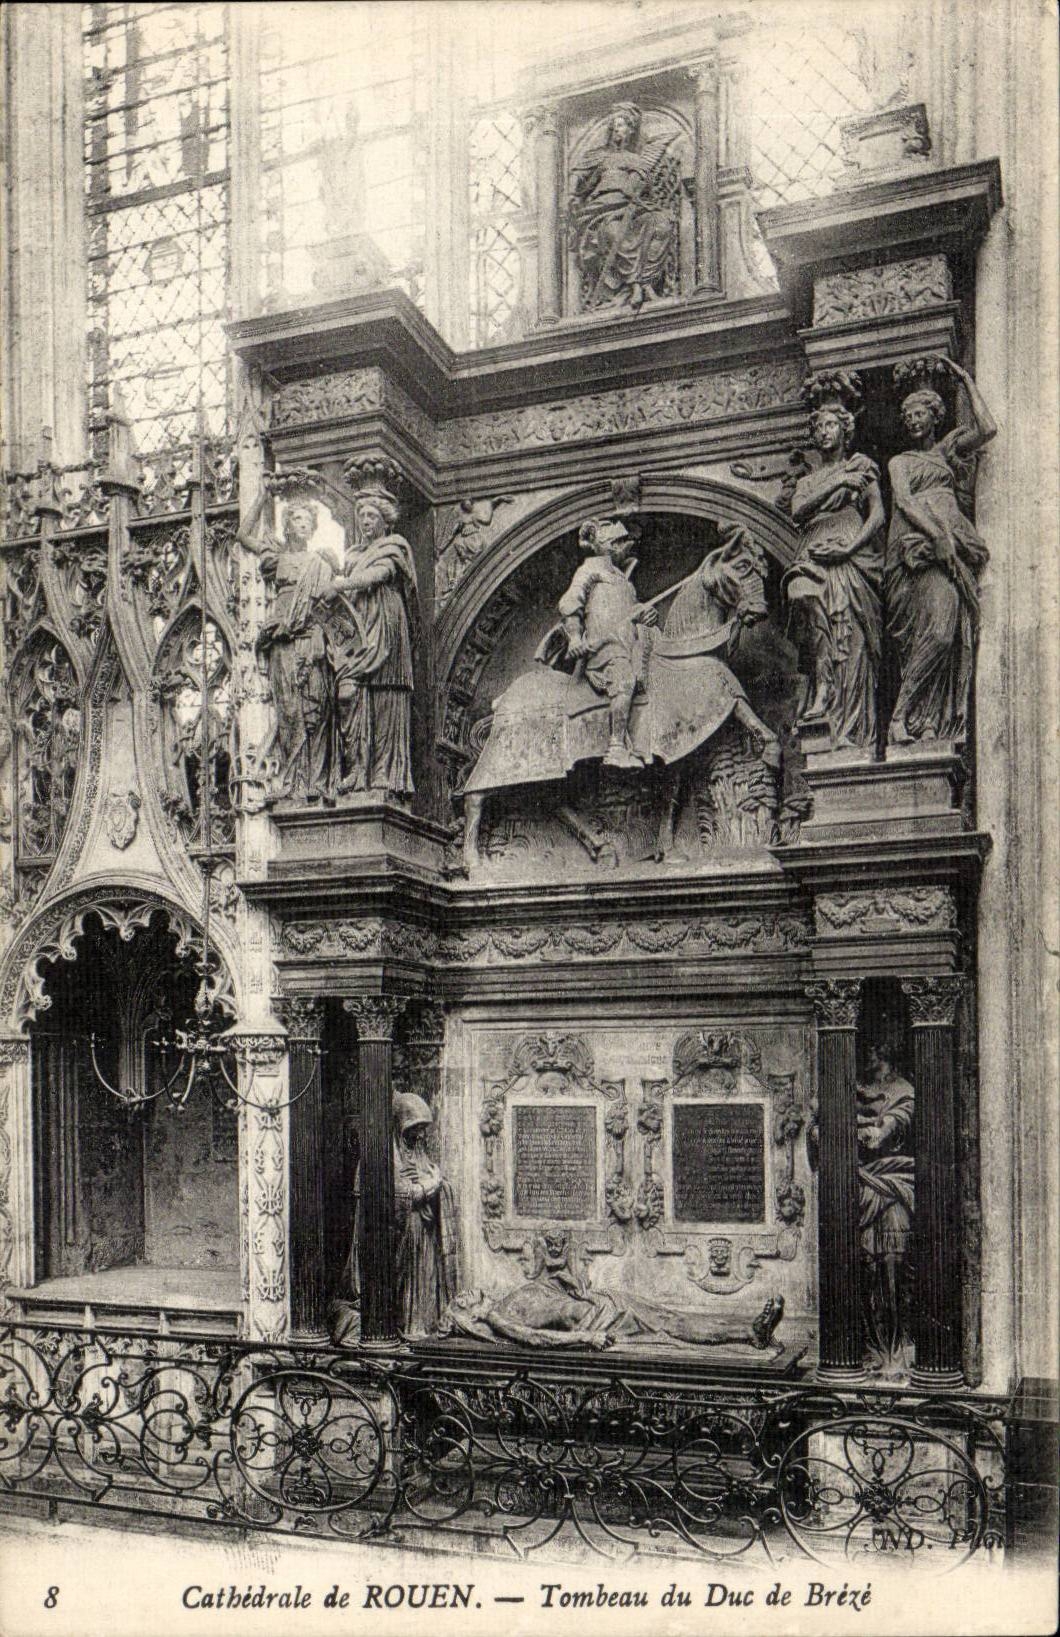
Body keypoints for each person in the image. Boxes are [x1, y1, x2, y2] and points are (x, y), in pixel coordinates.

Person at [886, 358, 996, 745]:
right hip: (916, 549)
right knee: (933, 632)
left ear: (935, 417)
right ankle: (901, 716)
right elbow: (904, 501)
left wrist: (966, 379)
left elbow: (987, 428)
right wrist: (937, 535)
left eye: (921, 413)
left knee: (948, 633)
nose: (914, 420)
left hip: (951, 546)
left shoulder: (947, 452)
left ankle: (927, 719)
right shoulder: (899, 462)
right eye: (908, 415)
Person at [783, 401, 884, 748]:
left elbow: (878, 515)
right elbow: (798, 511)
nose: (823, 432)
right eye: (818, 428)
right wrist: (837, 481)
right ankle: (822, 684)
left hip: (849, 546)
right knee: (802, 593)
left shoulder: (863, 466)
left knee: (850, 632)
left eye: (830, 425)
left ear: (845, 430)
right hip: (813, 545)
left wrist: (850, 548)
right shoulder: (810, 480)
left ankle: (849, 724)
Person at [238, 473, 338, 800]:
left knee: (318, 710)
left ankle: (318, 783)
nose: (304, 525)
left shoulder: (322, 563)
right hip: (282, 644)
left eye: (308, 520)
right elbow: (242, 534)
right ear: (288, 525)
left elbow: (330, 607)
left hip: (312, 640)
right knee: (291, 713)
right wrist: (263, 496)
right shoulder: (277, 559)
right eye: (297, 519)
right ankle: (294, 784)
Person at [327, 485, 417, 797]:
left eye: (372, 515)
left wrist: (341, 584)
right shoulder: (351, 555)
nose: (365, 520)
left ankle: (385, 774)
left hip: (385, 621)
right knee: (349, 694)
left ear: (385, 520)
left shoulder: (394, 547)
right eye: (362, 515)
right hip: (357, 626)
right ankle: (356, 771)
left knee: (386, 697)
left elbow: (379, 575)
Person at [548, 517, 657, 768]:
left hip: (630, 646)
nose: (625, 547)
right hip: (605, 650)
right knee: (624, 679)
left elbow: (629, 611)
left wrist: (646, 614)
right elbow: (570, 603)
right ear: (609, 546)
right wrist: (575, 637)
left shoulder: (622, 578)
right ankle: (616, 747)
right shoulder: (590, 570)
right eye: (619, 543)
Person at [568, 101, 679, 312]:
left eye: (623, 126)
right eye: (615, 126)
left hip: (631, 207)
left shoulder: (638, 160)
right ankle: (635, 286)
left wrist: (636, 183)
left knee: (662, 224)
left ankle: (645, 282)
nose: (618, 130)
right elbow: (579, 174)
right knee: (612, 231)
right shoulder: (601, 156)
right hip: (602, 209)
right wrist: (572, 194)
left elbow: (641, 185)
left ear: (631, 130)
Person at [857, 1043, 915, 1370]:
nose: (867, 1056)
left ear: (884, 1052)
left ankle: (900, 1347)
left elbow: (889, 1127)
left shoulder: (902, 1090)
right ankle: (873, 1347)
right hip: (863, 1186)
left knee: (894, 1262)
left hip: (896, 1183)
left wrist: (873, 1129)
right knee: (866, 1267)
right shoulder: (853, 1088)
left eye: (872, 1049)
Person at [392, 1092, 457, 1337]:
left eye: (422, 1129)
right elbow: (405, 1195)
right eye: (415, 1128)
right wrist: (433, 1182)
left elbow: (430, 1179)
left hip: (424, 1231)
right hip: (405, 1232)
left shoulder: (416, 1151)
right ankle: (408, 1325)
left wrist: (435, 1183)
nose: (420, 1135)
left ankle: (423, 1324)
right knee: (409, 1280)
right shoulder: (391, 1155)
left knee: (426, 1277)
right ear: (401, 1126)